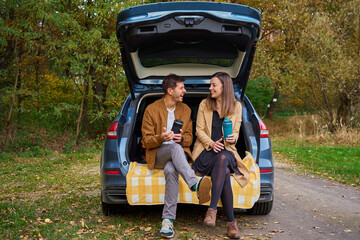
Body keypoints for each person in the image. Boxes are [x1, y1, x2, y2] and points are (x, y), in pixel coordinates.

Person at [141, 73, 212, 239]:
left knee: (171, 169)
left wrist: (182, 138)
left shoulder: (185, 110)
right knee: (172, 147)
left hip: (176, 156)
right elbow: (146, 140)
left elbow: (189, 138)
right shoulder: (151, 109)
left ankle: (167, 221)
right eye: (181, 88)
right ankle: (194, 184)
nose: (184, 91)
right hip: (158, 154)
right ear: (170, 90)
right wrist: (161, 138)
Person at [192, 72, 251, 239]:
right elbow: (199, 130)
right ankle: (232, 224)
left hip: (227, 152)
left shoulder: (236, 106)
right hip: (207, 153)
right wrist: (211, 143)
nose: (210, 88)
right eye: (210, 85)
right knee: (224, 171)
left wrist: (233, 138)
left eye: (214, 85)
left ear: (224, 87)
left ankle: (212, 211)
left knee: (224, 158)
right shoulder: (205, 104)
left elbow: (236, 132)